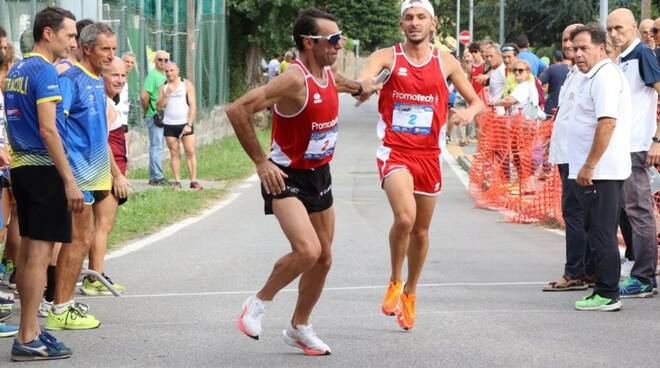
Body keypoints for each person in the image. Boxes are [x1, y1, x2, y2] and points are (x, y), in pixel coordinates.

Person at [227, 8, 378, 355]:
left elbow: (340, 83)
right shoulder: (293, 80)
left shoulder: (326, 73)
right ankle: (258, 303)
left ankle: (299, 326)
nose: (339, 45)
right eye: (334, 40)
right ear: (309, 43)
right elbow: (238, 110)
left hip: (319, 174)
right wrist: (261, 162)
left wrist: (361, 87)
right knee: (307, 250)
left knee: (324, 257)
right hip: (286, 176)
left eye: (340, 39)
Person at [358, 0, 485, 331]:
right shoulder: (387, 57)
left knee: (422, 230)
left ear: (433, 23)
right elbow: (365, 78)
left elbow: (476, 101)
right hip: (395, 151)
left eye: (420, 17)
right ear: (401, 24)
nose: (414, 23)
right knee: (404, 218)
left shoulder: (446, 62)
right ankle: (394, 280)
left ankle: (411, 293)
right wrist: (366, 87)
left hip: (429, 154)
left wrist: (467, 114)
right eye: (408, 18)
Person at [5, 6, 80, 361]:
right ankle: (27, 335)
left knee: (30, 254)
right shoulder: (45, 71)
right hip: (44, 170)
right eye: (69, 35)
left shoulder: (17, 69)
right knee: (38, 255)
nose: (72, 43)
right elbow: (49, 129)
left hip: (21, 169)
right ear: (48, 33)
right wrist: (69, 180)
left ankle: (31, 328)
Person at [45, 22, 116, 331]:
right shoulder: (70, 80)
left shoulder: (97, 80)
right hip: (78, 175)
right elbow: (54, 129)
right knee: (77, 240)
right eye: (105, 49)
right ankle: (60, 306)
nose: (111, 56)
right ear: (87, 48)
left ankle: (62, 304)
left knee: (81, 239)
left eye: (113, 49)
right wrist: (68, 177)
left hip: (95, 174)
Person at [568, 23, 631, 312]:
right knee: (597, 231)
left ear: (601, 48)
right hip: (594, 170)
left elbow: (607, 123)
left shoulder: (604, 77)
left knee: (602, 233)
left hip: (600, 172)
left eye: (584, 48)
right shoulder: (591, 76)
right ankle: (603, 290)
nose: (578, 54)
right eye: (575, 48)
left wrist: (589, 165)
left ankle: (607, 293)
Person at [607, 8, 660, 297]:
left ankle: (644, 278)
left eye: (620, 28)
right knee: (630, 212)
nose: (614, 33)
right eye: (610, 28)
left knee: (640, 213)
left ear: (633, 28)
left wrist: (657, 139)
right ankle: (638, 270)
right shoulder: (623, 60)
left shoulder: (642, 54)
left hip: (637, 147)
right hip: (622, 148)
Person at [544, 23, 593, 292]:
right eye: (564, 40)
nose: (567, 45)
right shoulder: (573, 73)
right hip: (565, 155)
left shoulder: (589, 76)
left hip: (579, 157)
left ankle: (576, 272)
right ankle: (584, 269)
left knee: (575, 214)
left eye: (573, 41)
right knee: (576, 214)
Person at [81, 56, 129, 296]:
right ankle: (95, 277)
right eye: (114, 75)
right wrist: (118, 175)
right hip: (107, 172)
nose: (120, 80)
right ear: (102, 76)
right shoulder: (105, 104)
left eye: (123, 75)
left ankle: (93, 274)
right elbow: (103, 142)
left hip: (105, 170)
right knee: (103, 225)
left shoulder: (106, 101)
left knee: (95, 226)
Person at [156, 62, 201, 190]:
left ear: (177, 70)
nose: (169, 73)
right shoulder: (163, 87)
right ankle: (177, 182)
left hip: (185, 124)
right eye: (167, 71)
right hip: (169, 124)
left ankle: (193, 180)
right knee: (174, 153)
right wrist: (166, 95)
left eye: (171, 70)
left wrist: (189, 123)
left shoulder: (186, 84)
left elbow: (193, 105)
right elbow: (158, 106)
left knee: (190, 151)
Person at [141, 50, 169, 186]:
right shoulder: (153, 75)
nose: (163, 62)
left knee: (159, 146)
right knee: (156, 146)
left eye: (165, 60)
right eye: (160, 60)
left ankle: (156, 175)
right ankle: (156, 177)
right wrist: (148, 111)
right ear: (155, 61)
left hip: (164, 116)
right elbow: (144, 96)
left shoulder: (166, 75)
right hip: (154, 115)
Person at [540, 49, 571, 116]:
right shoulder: (577, 71)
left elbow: (539, 83)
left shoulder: (551, 69)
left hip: (552, 107)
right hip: (569, 109)